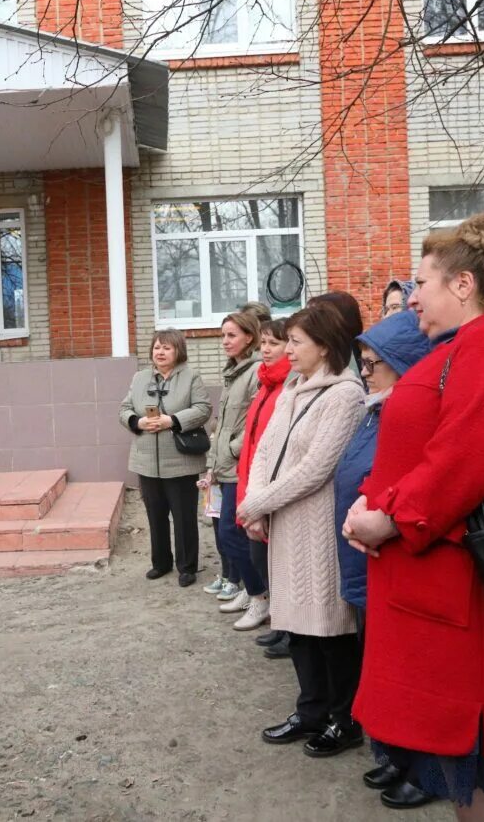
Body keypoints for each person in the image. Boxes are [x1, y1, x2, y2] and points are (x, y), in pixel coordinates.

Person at [343, 212, 484, 817]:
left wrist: (388, 518)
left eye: (422, 283)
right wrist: (375, 496)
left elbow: (463, 462)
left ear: (462, 285)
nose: (412, 297)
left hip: (457, 589)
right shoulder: (470, 344)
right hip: (438, 583)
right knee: (465, 774)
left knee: (479, 772)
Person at [238, 304, 367, 758]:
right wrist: (254, 505)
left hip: (317, 527)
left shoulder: (346, 395)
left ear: (325, 346)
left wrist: (256, 503)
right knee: (295, 624)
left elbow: (316, 468)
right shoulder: (293, 388)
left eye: (295, 342)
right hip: (284, 522)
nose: (286, 350)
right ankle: (310, 710)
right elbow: (266, 449)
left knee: (328, 628)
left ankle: (344, 718)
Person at [331, 310, 434, 803]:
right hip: (365, 556)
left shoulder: (415, 410)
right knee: (382, 663)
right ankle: (395, 755)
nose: (365, 372)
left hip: (397, 556)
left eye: (375, 363)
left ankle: (423, 768)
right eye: (363, 362)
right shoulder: (377, 407)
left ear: (405, 361)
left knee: (413, 669)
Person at [120, 330, 212, 587]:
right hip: (146, 460)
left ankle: (187, 567)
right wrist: (137, 421)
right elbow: (124, 408)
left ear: (178, 351)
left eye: (167, 348)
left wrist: (172, 420)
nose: (160, 352)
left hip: (180, 460)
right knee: (155, 514)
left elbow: (204, 409)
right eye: (157, 347)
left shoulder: (191, 376)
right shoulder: (140, 378)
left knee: (183, 517)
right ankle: (160, 563)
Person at [200, 312, 268, 628]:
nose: (225, 341)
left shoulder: (255, 372)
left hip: (240, 467)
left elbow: (255, 422)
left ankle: (260, 597)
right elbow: (223, 425)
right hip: (225, 466)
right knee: (228, 534)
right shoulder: (233, 371)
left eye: (231, 335)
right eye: (223, 335)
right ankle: (250, 590)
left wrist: (231, 451)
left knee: (233, 533)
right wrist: (214, 463)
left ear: (249, 338)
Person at [236, 318, 293, 655]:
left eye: (274, 343)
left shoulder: (288, 387)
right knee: (262, 561)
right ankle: (281, 625)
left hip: (271, 492)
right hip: (253, 484)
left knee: (277, 564)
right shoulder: (266, 383)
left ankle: (289, 632)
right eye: (264, 343)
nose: (266, 350)